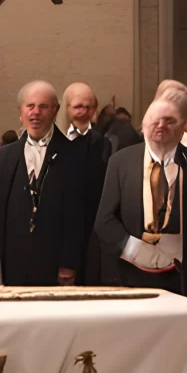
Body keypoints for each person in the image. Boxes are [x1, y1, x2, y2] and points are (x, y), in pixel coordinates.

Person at [95, 96, 187, 301]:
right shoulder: (120, 161)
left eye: (169, 120)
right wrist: (133, 250)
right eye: (154, 120)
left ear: (183, 126)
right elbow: (104, 219)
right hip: (132, 270)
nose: (161, 125)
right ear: (143, 125)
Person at [0, 81, 87, 287]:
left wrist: (69, 263)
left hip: (56, 269)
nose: (36, 113)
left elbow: (80, 217)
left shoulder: (78, 157)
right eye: (30, 106)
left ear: (55, 110)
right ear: (20, 112)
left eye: (44, 106)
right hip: (10, 269)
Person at [63, 81, 118, 283]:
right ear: (67, 108)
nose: (84, 112)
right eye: (78, 106)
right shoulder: (57, 142)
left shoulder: (102, 142)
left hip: (93, 224)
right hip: (66, 225)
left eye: (88, 107)